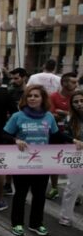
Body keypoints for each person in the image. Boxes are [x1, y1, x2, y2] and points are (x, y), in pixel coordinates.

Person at [2, 85, 81, 236]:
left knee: (39, 195)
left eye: (36, 96)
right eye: (29, 96)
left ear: (42, 99)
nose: (32, 98)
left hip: (42, 163)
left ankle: (36, 223)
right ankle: (17, 223)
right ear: (25, 99)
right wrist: (15, 140)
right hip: (22, 163)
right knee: (21, 194)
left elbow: (57, 135)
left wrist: (73, 140)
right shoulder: (17, 116)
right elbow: (3, 134)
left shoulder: (48, 117)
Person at [46, 72, 79, 200]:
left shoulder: (77, 97)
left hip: (73, 135)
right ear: (64, 83)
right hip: (56, 134)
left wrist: (63, 112)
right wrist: (69, 113)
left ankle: (73, 192)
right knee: (54, 162)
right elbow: (51, 114)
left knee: (73, 164)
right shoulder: (53, 96)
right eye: (74, 82)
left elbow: (76, 113)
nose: (76, 84)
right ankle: (54, 188)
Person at [59, 91, 83, 226]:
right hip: (76, 154)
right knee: (72, 187)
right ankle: (65, 216)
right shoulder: (69, 119)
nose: (79, 104)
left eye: (82, 100)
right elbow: (64, 137)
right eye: (76, 102)